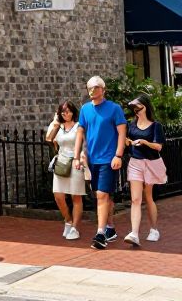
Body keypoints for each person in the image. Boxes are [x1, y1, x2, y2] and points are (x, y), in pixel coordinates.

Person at [73, 75, 126, 250]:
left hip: (109, 159)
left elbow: (121, 133)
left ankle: (100, 233)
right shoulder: (85, 109)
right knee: (103, 195)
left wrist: (118, 155)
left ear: (103, 90)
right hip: (92, 159)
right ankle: (110, 227)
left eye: (96, 87)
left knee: (102, 195)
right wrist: (77, 155)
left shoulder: (114, 109)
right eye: (90, 87)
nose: (92, 90)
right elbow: (80, 133)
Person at [123, 94, 166, 247]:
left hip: (151, 164)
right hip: (135, 162)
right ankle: (134, 233)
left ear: (145, 107)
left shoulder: (156, 126)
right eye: (134, 108)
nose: (136, 111)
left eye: (138, 107)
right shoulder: (131, 125)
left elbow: (158, 147)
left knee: (148, 196)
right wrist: (128, 142)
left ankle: (154, 229)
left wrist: (145, 142)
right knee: (135, 199)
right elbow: (125, 140)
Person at [45, 100, 84, 240]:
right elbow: (48, 138)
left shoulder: (79, 126)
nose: (65, 113)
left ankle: (75, 228)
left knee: (76, 196)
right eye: (62, 111)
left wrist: (81, 158)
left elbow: (84, 144)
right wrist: (56, 122)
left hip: (75, 161)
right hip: (61, 162)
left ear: (73, 112)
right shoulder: (58, 126)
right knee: (58, 195)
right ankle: (68, 220)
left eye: (68, 111)